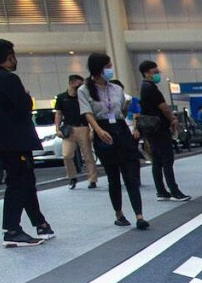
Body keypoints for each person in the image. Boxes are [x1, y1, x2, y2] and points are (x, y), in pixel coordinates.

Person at [0, 38, 54, 247]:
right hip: (17, 141)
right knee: (19, 182)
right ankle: (12, 229)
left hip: (1, 140)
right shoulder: (9, 79)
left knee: (25, 181)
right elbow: (22, 107)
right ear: (9, 56)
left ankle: (40, 223)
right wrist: (26, 97)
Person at [79, 53, 149, 229]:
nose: (110, 69)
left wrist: (125, 110)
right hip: (103, 130)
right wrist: (98, 130)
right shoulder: (84, 90)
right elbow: (87, 113)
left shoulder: (116, 89)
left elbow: (120, 113)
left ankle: (139, 215)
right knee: (113, 176)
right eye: (107, 66)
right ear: (98, 68)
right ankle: (119, 213)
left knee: (130, 175)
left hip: (121, 130)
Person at [137, 60, 190, 202]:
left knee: (157, 161)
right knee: (167, 159)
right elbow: (164, 107)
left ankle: (161, 190)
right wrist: (173, 119)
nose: (157, 75)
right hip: (159, 128)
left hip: (151, 129)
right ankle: (174, 191)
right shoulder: (151, 88)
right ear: (146, 73)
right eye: (155, 72)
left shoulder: (144, 87)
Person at [54, 73, 98, 190]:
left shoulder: (83, 97)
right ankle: (72, 177)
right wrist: (57, 128)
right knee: (67, 155)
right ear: (71, 83)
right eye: (78, 84)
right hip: (69, 129)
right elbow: (59, 113)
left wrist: (92, 129)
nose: (80, 86)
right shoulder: (62, 97)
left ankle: (92, 179)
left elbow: (90, 113)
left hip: (83, 127)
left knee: (88, 155)